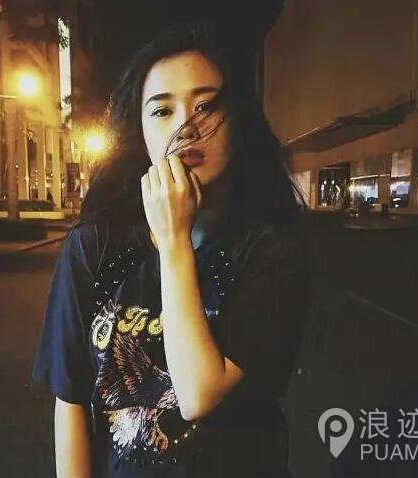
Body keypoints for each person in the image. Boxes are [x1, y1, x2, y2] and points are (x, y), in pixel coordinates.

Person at [32, 22, 312, 478]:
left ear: (238, 122)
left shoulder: (270, 252)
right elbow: (71, 401)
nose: (187, 127)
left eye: (206, 106)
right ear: (140, 131)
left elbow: (199, 393)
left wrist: (174, 240)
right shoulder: (94, 247)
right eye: (162, 111)